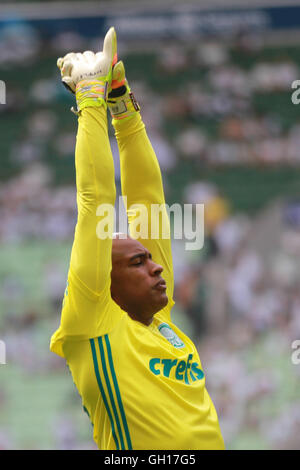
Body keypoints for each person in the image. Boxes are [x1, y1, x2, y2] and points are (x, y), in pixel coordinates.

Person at [50, 27, 225, 451]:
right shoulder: (94, 321)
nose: (157, 265)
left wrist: (122, 107)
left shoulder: (162, 323)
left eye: (148, 259)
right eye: (136, 263)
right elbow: (95, 201)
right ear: (104, 285)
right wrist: (90, 96)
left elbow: (148, 200)